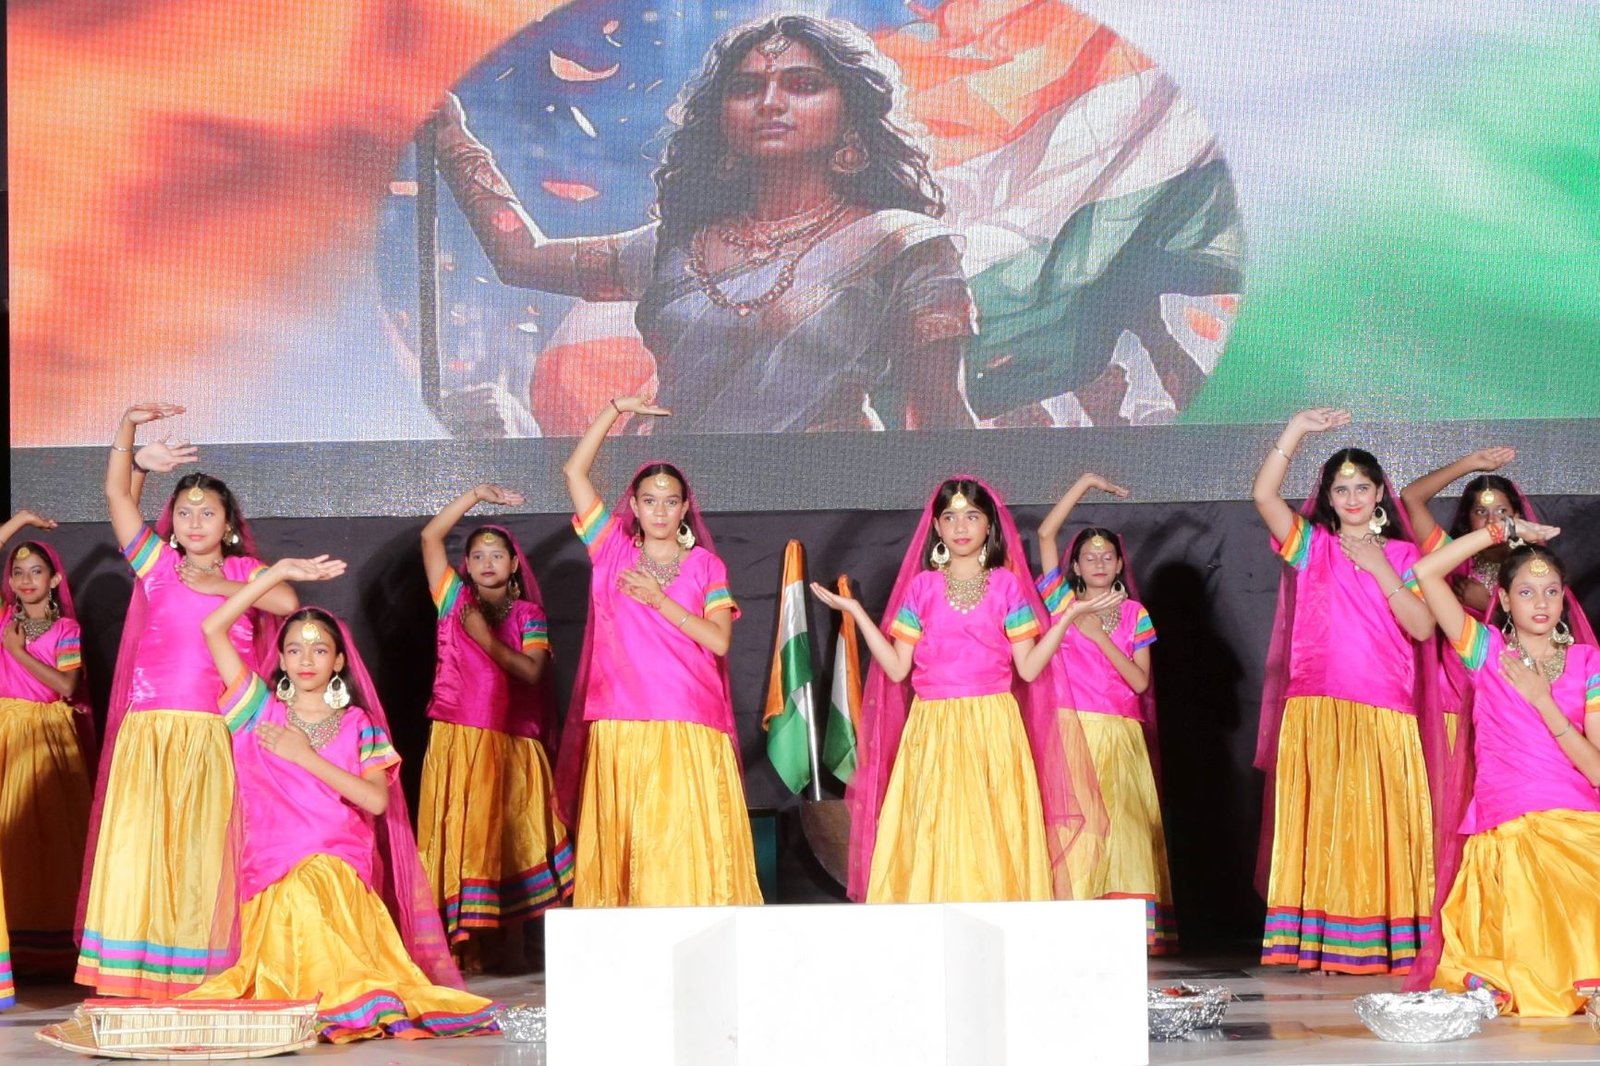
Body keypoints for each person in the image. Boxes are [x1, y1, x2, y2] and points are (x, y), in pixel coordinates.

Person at [437, 14, 976, 432]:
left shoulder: (902, 245)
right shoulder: (676, 247)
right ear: (721, 119)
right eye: (745, 88)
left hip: (828, 508)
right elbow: (522, 259)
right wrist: (453, 140)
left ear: (851, 115)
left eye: (803, 84)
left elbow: (939, 423)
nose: (770, 102)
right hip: (675, 513)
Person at [180, 558, 498, 1042]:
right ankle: (332, 998)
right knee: (298, 890)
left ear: (339, 662)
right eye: (294, 649)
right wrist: (277, 574)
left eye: (319, 649)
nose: (306, 659)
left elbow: (376, 801)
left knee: (315, 882)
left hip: (340, 871)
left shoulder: (357, 724)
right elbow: (212, 628)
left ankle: (340, 998)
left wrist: (305, 756)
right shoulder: (256, 711)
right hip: (273, 872)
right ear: (281, 659)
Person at [77, 402, 297, 997]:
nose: (195, 521)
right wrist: (128, 430)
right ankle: (139, 966)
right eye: (185, 512)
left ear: (228, 524)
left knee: (205, 850)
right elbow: (117, 495)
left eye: (208, 512)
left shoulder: (246, 570)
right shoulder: (158, 564)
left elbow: (284, 602)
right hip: (152, 729)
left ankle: (204, 966)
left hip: (215, 729)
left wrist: (222, 584)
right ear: (171, 522)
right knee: (145, 846)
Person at [812, 476, 1108, 903]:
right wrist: (856, 612)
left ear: (989, 525)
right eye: (950, 518)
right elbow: (896, 668)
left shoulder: (1006, 586)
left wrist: (1065, 620)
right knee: (936, 829)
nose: (961, 527)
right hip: (933, 727)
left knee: (991, 830)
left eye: (972, 516)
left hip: (992, 726)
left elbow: (1028, 669)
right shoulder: (922, 588)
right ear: (936, 527)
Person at [555, 393, 762, 906]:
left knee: (684, 849)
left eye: (671, 502)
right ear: (634, 506)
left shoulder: (706, 566)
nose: (660, 511)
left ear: (685, 508)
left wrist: (660, 600)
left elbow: (718, 639)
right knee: (631, 845)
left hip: (688, 721)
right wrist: (614, 410)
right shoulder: (611, 549)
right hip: (622, 720)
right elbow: (575, 472)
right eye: (649, 501)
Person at [1252, 408, 1437, 974]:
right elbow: (1263, 496)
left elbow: (1423, 628)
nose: (1353, 498)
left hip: (1383, 709)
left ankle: (1381, 942)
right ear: (1329, 498)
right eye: (1341, 489)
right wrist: (1296, 429)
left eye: (1362, 488)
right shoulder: (1313, 546)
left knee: (1379, 827)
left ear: (1379, 493)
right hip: (1317, 706)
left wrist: (1380, 567)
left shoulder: (1405, 556)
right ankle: (1323, 944)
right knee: (1327, 826)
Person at [1404, 524, 1600, 1016]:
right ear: (1505, 600)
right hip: (1508, 825)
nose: (1541, 602)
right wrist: (1500, 530)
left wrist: (1543, 701)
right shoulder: (1485, 651)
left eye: (1551, 591)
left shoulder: (1588, 663)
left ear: (1564, 599)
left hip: (1578, 826)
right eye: (1526, 592)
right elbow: (1426, 571)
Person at [417, 485, 572, 965]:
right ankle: (464, 952)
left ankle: (514, 952)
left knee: (511, 839)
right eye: (478, 555)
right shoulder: (453, 600)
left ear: (514, 565)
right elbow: (430, 537)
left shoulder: (528, 615)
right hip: (457, 738)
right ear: (465, 565)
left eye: (497, 555)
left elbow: (532, 672)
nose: (487, 563)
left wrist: (484, 639)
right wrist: (475, 495)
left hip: (512, 742)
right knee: (464, 839)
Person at [1035, 475, 1175, 953]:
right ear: (1074, 565)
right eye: (1089, 557)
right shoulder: (1062, 605)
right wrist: (1085, 483)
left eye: (1107, 556)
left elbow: (1139, 682)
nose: (1099, 563)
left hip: (1121, 735)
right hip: (1072, 732)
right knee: (1079, 828)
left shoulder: (1135, 614)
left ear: (1119, 564)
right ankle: (1074, 926)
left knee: (1126, 829)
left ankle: (1128, 932)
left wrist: (1098, 637)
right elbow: (1045, 534)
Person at [1399, 448, 1595, 747]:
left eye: (1502, 513)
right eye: (1481, 512)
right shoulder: (1453, 562)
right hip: (1455, 694)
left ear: (1517, 517)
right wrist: (1470, 464)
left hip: (1514, 694)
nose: (1492, 520)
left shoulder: (1533, 570)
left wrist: (1485, 603)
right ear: (1468, 519)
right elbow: (1411, 496)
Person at [0, 517, 91, 978]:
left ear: (54, 580)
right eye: (18, 572)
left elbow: (67, 685)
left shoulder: (66, 630)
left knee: (51, 842)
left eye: (36, 571)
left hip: (49, 738)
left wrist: (18, 653)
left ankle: (52, 952)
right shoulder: (3, 619)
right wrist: (19, 522)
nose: (26, 580)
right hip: (6, 736)